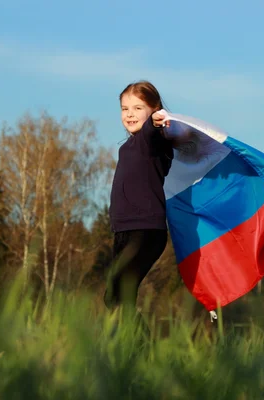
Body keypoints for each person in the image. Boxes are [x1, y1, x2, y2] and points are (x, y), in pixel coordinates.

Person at [104, 80, 175, 326]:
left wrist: (156, 123)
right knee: (113, 297)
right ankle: (131, 350)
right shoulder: (128, 147)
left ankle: (141, 350)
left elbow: (152, 132)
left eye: (137, 108)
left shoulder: (149, 141)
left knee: (121, 294)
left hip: (145, 232)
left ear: (154, 109)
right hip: (123, 231)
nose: (130, 114)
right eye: (125, 109)